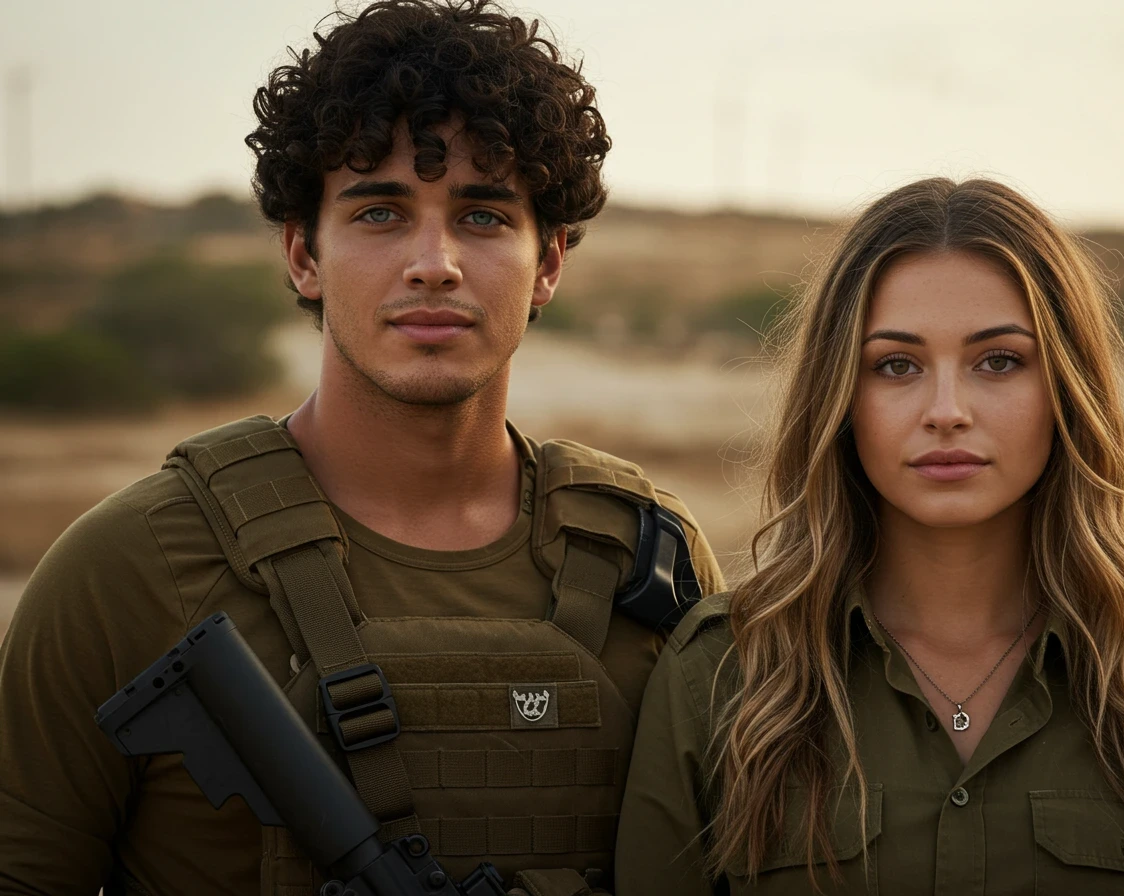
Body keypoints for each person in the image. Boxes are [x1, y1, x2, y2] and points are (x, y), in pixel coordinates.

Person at [0, 2, 724, 894]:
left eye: (485, 216)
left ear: (550, 263)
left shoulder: (650, 564)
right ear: (304, 255)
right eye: (380, 212)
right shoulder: (129, 568)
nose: (434, 263)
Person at [615, 177, 1124, 895]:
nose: (947, 410)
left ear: (1065, 386)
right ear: (841, 395)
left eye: (999, 360)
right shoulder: (723, 680)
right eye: (896, 365)